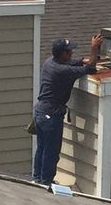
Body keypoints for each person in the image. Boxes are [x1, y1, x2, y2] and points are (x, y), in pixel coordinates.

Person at [31, 33, 102, 185]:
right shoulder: (62, 71)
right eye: (69, 51)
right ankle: (46, 182)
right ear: (62, 53)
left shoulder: (50, 62)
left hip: (40, 113)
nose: (71, 53)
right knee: (51, 152)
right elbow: (90, 68)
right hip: (51, 115)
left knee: (42, 148)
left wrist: (81, 60)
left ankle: (37, 179)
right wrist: (94, 48)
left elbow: (72, 64)